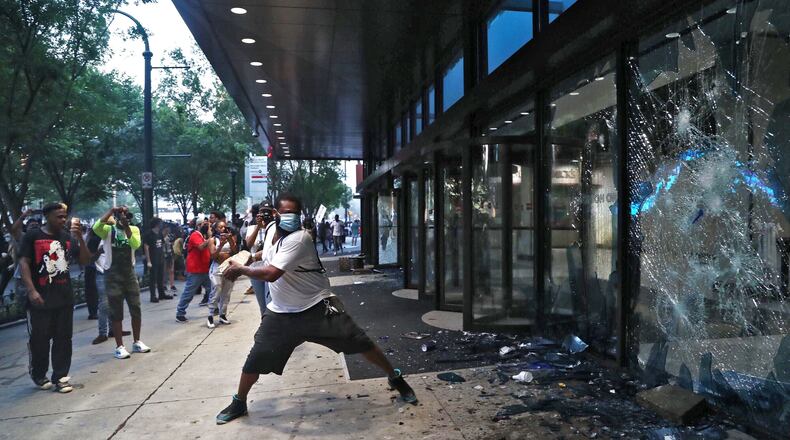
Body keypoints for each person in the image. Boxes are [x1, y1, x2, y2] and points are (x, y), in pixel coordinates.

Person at [215, 194, 416, 424]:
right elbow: (269, 255)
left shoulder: (301, 239)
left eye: (295, 213)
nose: (291, 217)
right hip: (281, 312)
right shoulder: (271, 230)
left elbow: (271, 273)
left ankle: (395, 377)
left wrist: (242, 270)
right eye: (286, 212)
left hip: (318, 306)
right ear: (276, 214)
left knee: (360, 341)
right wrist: (251, 257)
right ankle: (239, 402)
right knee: (256, 358)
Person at [19, 202, 90, 392]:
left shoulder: (68, 238)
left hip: (64, 298)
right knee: (40, 340)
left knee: (63, 339)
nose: (63, 219)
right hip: (40, 300)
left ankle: (60, 377)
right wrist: (31, 290)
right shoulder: (33, 236)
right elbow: (24, 263)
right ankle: (39, 374)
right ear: (47, 216)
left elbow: (84, 260)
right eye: (59, 216)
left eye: (64, 216)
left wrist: (80, 239)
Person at [93, 206, 153, 359]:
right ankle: (119, 346)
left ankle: (137, 341)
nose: (125, 215)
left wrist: (126, 227)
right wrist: (112, 211)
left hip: (129, 274)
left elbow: (135, 244)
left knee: (136, 307)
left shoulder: (133, 229)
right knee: (116, 311)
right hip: (112, 275)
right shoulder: (108, 229)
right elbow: (96, 227)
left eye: (127, 213)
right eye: (122, 213)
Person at [175, 218, 213, 322]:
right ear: (198, 225)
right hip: (196, 269)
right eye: (204, 224)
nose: (206, 226)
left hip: (204, 269)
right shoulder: (195, 235)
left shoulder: (202, 236)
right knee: (189, 292)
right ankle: (180, 313)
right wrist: (210, 237)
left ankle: (215, 309)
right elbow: (201, 247)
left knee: (212, 289)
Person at [245, 202, 277, 315]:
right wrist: (258, 227)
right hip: (255, 270)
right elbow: (248, 245)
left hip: (270, 270)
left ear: (273, 213)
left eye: (267, 212)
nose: (264, 214)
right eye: (262, 212)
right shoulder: (252, 227)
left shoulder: (275, 227)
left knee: (271, 304)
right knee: (263, 306)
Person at [207, 220, 238, 328]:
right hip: (217, 268)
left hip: (228, 267)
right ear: (215, 229)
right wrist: (221, 246)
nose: (223, 229)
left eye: (224, 227)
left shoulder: (231, 238)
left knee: (227, 292)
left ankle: (222, 315)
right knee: (217, 289)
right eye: (220, 227)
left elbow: (234, 252)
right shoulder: (213, 240)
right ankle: (210, 315)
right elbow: (213, 256)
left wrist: (229, 241)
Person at [143, 217, 170, 302]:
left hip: (160, 258)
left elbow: (161, 244)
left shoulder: (159, 234)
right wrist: (148, 261)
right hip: (153, 258)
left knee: (160, 277)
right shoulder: (149, 234)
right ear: (157, 224)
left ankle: (161, 294)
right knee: (153, 278)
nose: (161, 224)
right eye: (160, 223)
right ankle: (153, 296)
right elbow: (146, 247)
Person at [162, 224, 176, 292]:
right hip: (164, 254)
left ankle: (172, 285)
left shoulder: (171, 236)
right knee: (164, 270)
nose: (168, 230)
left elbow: (173, 245)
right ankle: (164, 284)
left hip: (170, 254)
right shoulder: (161, 236)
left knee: (171, 270)